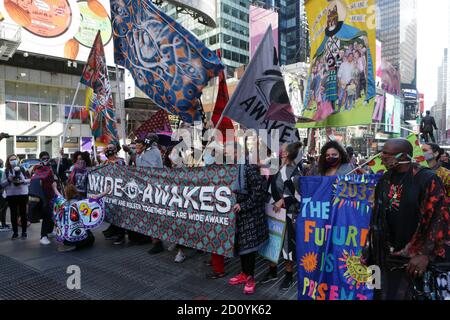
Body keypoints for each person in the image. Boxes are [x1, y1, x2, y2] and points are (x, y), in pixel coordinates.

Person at [364, 138, 449, 300]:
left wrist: (425, 254)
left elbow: (440, 219)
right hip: (385, 259)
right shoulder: (384, 179)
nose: (382, 157)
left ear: (402, 156)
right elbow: (377, 218)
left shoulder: (427, 179)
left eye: (387, 155)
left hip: (414, 261)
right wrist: (371, 251)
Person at [228, 142, 269, 295]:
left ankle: (251, 278)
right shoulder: (236, 166)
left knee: (249, 248)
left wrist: (243, 206)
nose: (226, 153)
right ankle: (244, 274)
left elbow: (259, 192)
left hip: (251, 215)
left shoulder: (250, 166)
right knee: (242, 246)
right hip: (240, 213)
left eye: (228, 150)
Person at [261, 142, 303, 290]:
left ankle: (289, 275)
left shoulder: (295, 172)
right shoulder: (276, 166)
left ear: (286, 153)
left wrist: (283, 200)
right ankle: (272, 271)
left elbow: (299, 196)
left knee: (287, 245)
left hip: (287, 213)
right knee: (271, 241)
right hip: (272, 210)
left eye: (282, 148)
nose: (279, 150)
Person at [52, 183, 110, 252]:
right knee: (90, 237)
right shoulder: (79, 204)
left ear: (66, 194)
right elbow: (94, 200)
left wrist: (54, 187)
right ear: (75, 193)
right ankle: (78, 243)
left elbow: (59, 196)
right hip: (77, 239)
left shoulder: (62, 204)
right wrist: (106, 191)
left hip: (65, 241)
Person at [101, 142, 127, 245]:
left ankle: (121, 236)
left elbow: (123, 175)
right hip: (109, 192)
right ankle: (114, 232)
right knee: (113, 214)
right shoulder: (105, 162)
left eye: (111, 148)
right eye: (107, 148)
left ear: (116, 149)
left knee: (119, 214)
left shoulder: (120, 161)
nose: (109, 150)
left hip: (119, 192)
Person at [0, 155, 29, 239]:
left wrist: (23, 181)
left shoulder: (23, 169)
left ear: (17, 160)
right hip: (11, 195)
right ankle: (15, 232)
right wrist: (9, 179)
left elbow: (30, 180)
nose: (13, 161)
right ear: (8, 161)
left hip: (22, 194)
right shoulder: (6, 171)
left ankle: (24, 232)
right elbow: (2, 184)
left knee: (23, 214)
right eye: (11, 159)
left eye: (14, 159)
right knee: (13, 214)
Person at [31, 152, 57, 245]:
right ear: (40, 159)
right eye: (43, 158)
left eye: (47, 157)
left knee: (53, 214)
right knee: (46, 214)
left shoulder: (52, 166)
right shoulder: (37, 167)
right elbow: (35, 178)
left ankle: (50, 230)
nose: (46, 159)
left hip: (53, 193)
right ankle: (43, 236)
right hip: (43, 194)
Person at [0, 159, 11, 231]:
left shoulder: (1, 171)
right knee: (2, 209)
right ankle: (3, 224)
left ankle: (3, 223)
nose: (2, 164)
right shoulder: (1, 172)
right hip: (1, 192)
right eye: (1, 163)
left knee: (3, 208)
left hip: (2, 192)